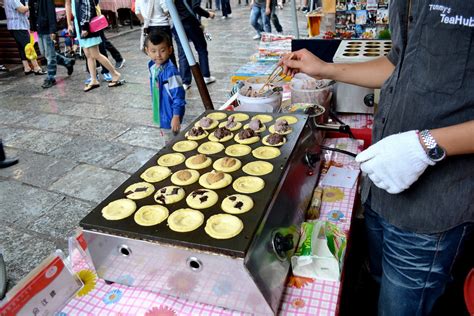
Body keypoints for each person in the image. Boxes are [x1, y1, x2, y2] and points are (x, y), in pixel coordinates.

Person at [280, 1, 473, 315]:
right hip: (381, 188)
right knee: (375, 281)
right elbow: (400, 64)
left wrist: (427, 145)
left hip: (433, 208)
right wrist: (325, 68)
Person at [65, 0, 123, 92]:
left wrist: (84, 26)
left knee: (95, 54)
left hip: (86, 26)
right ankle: (94, 79)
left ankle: (115, 74)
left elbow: (87, 6)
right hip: (81, 25)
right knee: (89, 55)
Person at [144, 31, 185, 141]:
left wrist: (176, 116)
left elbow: (179, 96)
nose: (158, 55)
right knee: (167, 139)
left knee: (172, 142)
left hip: (170, 116)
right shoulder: (153, 66)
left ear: (170, 50)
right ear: (147, 51)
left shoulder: (171, 72)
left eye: (162, 50)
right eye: (153, 51)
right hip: (160, 113)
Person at [29, 0, 75, 89]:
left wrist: (52, 30)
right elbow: (32, 12)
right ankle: (67, 62)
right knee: (44, 52)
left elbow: (51, 12)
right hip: (39, 28)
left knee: (49, 55)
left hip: (47, 28)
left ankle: (51, 77)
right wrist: (32, 26)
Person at [172, 0, 216, 90]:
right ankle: (206, 75)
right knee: (201, 49)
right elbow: (195, 7)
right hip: (191, 22)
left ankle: (185, 81)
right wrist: (208, 14)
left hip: (177, 23)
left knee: (183, 52)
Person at [4, 0, 45, 75]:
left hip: (13, 26)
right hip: (19, 26)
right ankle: (36, 68)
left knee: (21, 47)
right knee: (28, 47)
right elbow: (22, 9)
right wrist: (29, 5)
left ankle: (27, 68)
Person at [135, 0, 176, 66]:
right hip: (163, 25)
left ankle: (157, 72)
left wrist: (145, 21)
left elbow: (137, 12)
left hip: (149, 27)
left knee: (154, 52)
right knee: (168, 53)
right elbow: (166, 10)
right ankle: (171, 74)